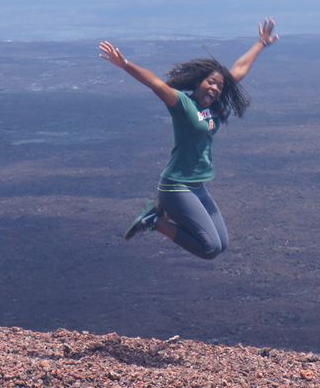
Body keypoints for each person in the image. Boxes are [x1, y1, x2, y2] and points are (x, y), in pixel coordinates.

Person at [98, 19, 278, 259]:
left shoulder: (214, 105)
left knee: (222, 244)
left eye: (219, 87)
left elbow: (238, 70)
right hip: (175, 186)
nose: (215, 88)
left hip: (197, 186)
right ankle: (156, 222)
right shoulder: (183, 104)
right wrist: (125, 64)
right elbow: (154, 83)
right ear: (198, 82)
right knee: (209, 248)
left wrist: (261, 44)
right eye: (210, 82)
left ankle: (159, 219)